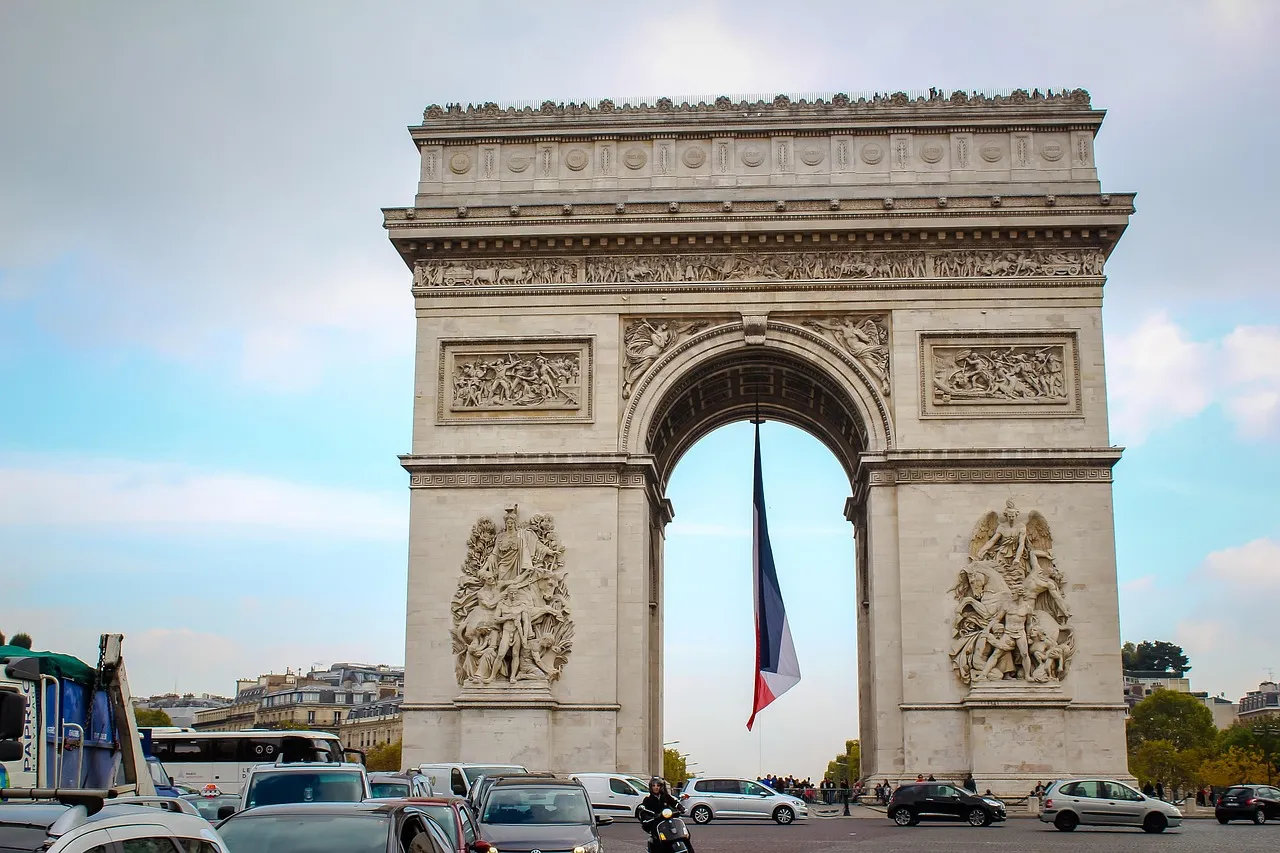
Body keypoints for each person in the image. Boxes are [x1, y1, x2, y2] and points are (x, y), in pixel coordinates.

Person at [638, 777, 680, 849]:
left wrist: (681, 807)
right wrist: (647, 817)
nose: (656, 787)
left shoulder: (665, 796)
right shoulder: (648, 799)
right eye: (654, 786)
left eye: (658, 785)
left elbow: (674, 803)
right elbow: (643, 810)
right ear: (651, 787)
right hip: (656, 822)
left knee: (680, 833)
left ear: (661, 787)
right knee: (658, 839)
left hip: (668, 821)